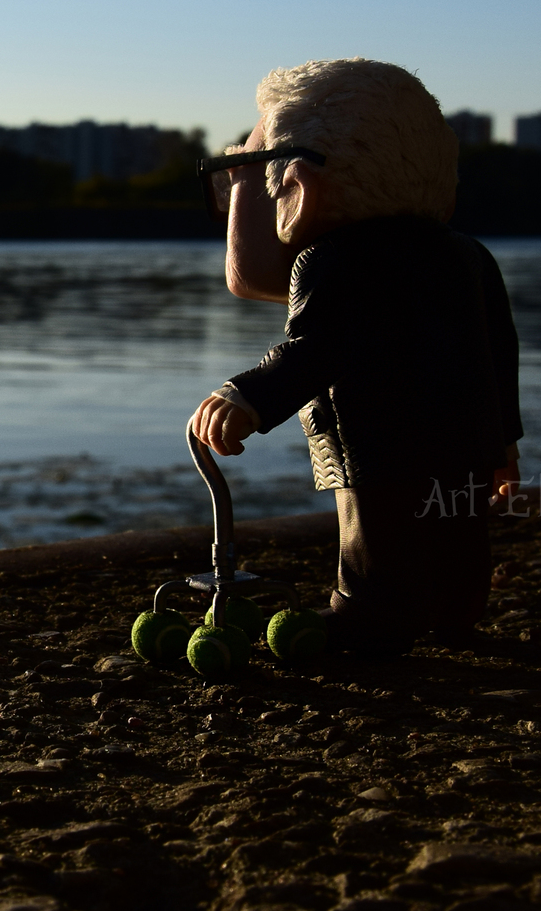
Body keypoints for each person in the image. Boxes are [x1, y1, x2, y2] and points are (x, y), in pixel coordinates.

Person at [187, 58, 522, 655]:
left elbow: (319, 348)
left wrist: (247, 396)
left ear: (298, 188)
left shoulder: (330, 261)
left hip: (379, 440)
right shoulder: (469, 254)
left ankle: (365, 615)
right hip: (465, 437)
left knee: (374, 533)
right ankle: (456, 607)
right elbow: (498, 352)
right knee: (459, 524)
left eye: (258, 177)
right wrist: (502, 441)